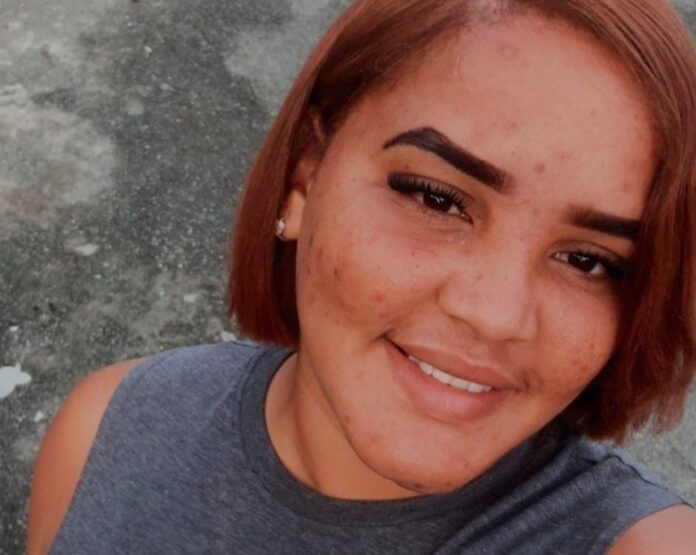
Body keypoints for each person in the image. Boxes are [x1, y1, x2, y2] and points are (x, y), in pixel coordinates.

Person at [26, 0, 696, 553]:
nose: (495, 313)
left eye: (588, 261)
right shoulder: (108, 427)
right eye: (437, 198)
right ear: (304, 179)